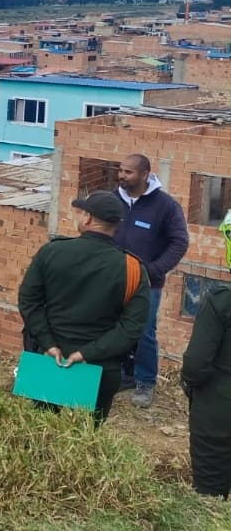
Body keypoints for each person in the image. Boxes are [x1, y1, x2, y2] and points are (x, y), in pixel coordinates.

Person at [19, 191, 149, 423]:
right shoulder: (133, 268)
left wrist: (49, 343)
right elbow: (132, 328)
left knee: (40, 434)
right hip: (98, 371)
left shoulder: (52, 252)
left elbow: (29, 301)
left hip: (50, 364)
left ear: (88, 218)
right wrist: (87, 353)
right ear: (116, 225)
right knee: (86, 442)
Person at [113, 154, 189, 409]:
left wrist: (154, 270)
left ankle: (145, 382)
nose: (122, 176)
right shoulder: (113, 200)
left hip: (147, 284)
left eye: (128, 172)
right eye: (121, 170)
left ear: (145, 174)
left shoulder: (165, 206)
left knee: (144, 332)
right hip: (113, 280)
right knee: (115, 328)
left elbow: (179, 242)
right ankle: (125, 375)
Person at [182, 279, 231, 500]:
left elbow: (196, 363)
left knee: (210, 497)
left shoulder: (222, 300)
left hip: (218, 411)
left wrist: (189, 383)